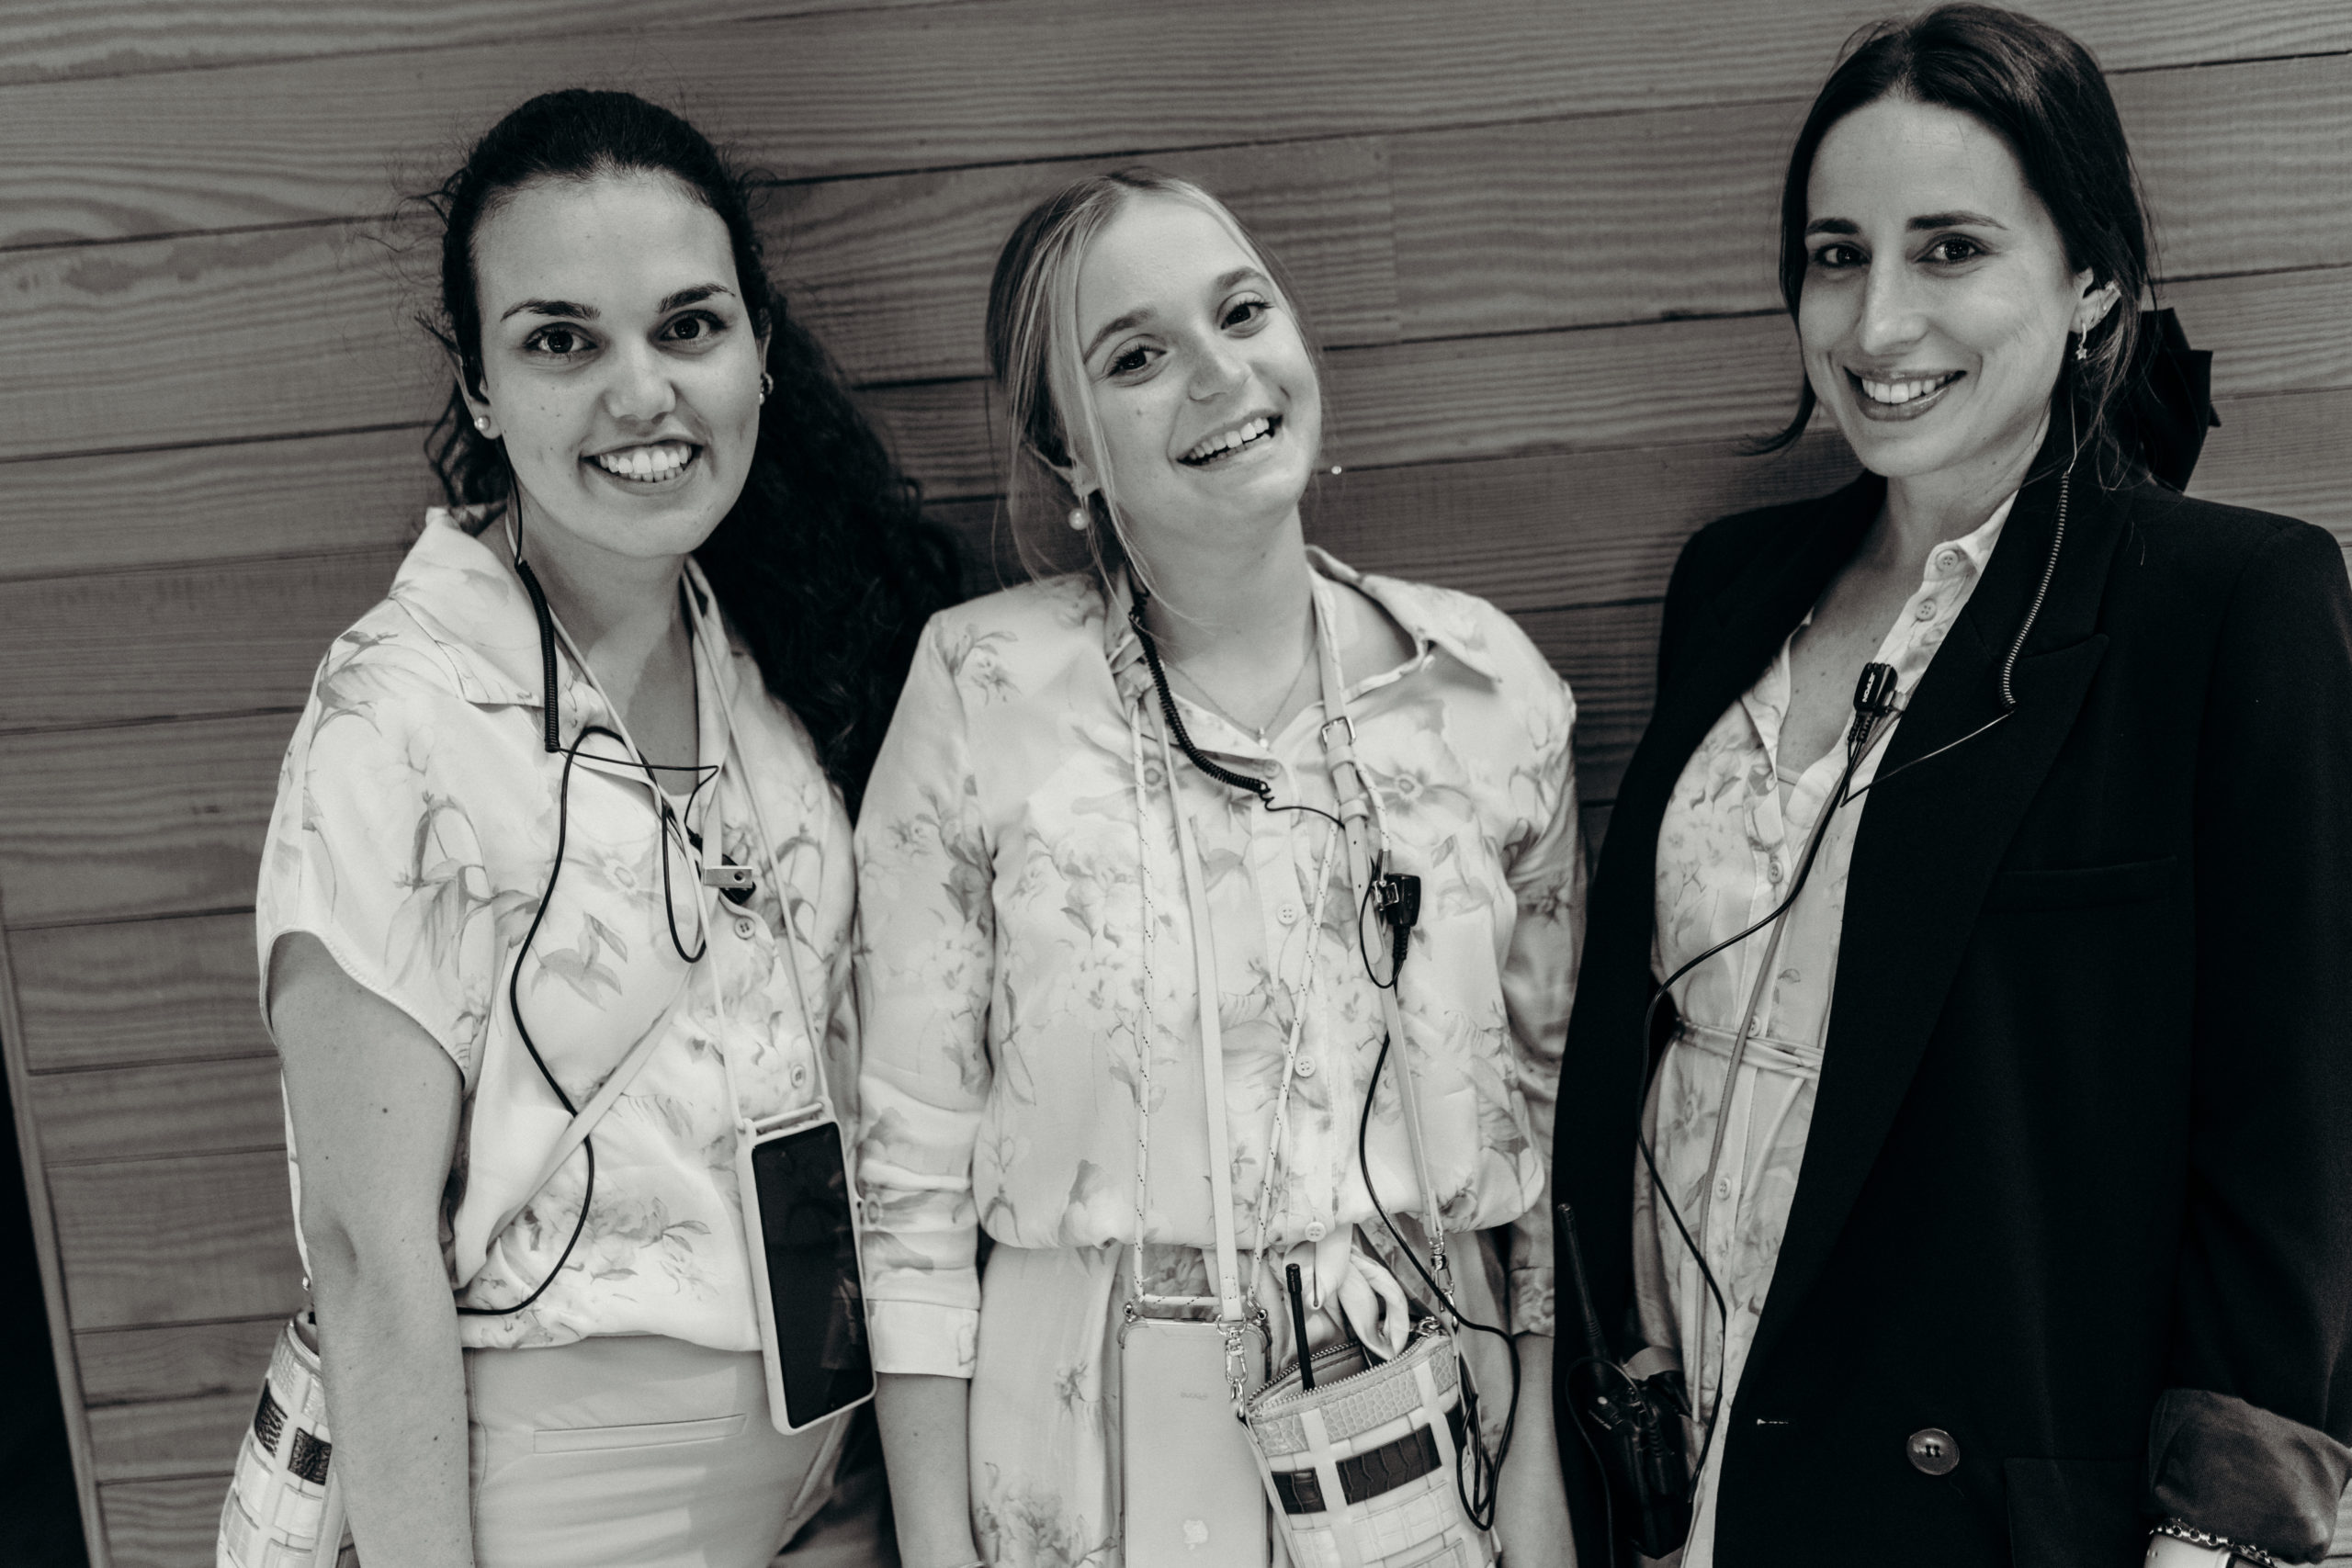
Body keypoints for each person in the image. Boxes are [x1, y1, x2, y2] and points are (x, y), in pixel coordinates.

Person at [1549, 7, 2352, 1565]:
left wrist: (2225, 1542)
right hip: (1682, 1458)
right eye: (1836, 256)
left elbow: (2297, 1136)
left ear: (2093, 278)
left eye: (1952, 250)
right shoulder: (1730, 585)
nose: (1878, 322)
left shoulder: (2231, 604)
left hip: (1991, 1506)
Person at [254, 89, 959, 1568]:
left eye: (687, 327)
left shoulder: (758, 655)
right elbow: (369, 1255)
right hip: (571, 1508)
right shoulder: (402, 713)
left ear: (760, 351)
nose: (642, 392)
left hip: (828, 1473)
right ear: (481, 388)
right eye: (561, 342)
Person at [853, 169, 1585, 1566]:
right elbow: (906, 1179)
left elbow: (1547, 1126)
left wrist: (1541, 1470)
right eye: (1135, 358)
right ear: (1067, 452)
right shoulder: (981, 686)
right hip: (1089, 1448)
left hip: (1436, 1430)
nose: (1219, 374)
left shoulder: (1488, 690)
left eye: (1242, 313)